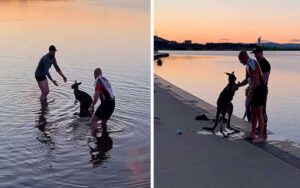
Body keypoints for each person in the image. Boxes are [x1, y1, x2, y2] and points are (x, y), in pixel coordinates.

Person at [237, 51, 265, 143]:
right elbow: (248, 79)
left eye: (241, 60)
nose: (241, 63)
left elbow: (256, 79)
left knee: (258, 112)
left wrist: (250, 92)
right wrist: (239, 85)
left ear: (245, 57)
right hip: (253, 89)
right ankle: (253, 133)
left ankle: (260, 136)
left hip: (259, 90)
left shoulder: (252, 63)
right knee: (253, 112)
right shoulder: (247, 65)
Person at [89, 68, 115, 137]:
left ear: (94, 75)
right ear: (101, 74)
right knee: (104, 123)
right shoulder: (105, 80)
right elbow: (106, 92)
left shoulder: (97, 80)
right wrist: (96, 94)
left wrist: (92, 106)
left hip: (106, 104)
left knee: (93, 122)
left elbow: (97, 96)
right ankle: (104, 139)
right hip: (112, 103)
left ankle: (95, 139)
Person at [251, 46, 271, 136]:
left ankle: (263, 130)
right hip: (255, 90)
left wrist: (254, 85)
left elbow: (264, 80)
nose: (255, 55)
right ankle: (258, 129)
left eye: (256, 53)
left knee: (262, 111)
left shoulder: (265, 64)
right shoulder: (257, 63)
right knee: (254, 111)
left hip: (262, 91)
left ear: (261, 52)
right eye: (254, 53)